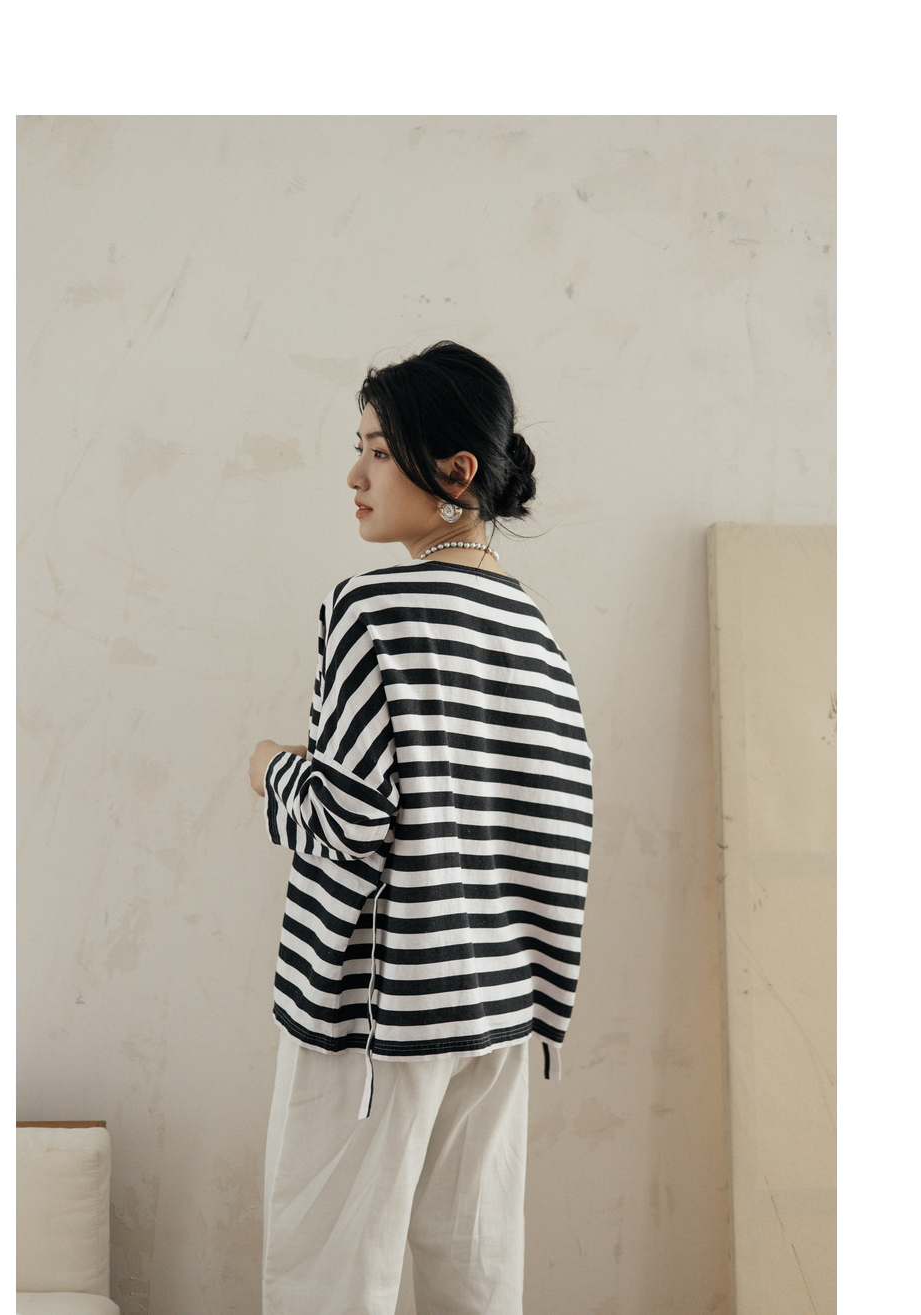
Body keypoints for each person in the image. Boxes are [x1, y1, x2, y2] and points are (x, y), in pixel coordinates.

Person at [249, 341, 593, 1315]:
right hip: (499, 1010)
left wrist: (269, 767)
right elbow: (555, 825)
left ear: (455, 471)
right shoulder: (535, 633)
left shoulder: (372, 610)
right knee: (474, 1271)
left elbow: (348, 821)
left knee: (330, 1276)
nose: (354, 477)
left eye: (377, 451)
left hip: (371, 1016)